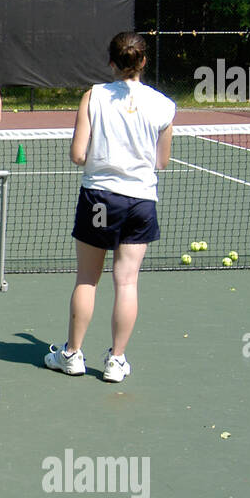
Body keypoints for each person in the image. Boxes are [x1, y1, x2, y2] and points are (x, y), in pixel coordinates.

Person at [45, 31, 175, 383]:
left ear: (112, 62)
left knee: (88, 278)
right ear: (144, 61)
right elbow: (161, 161)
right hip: (141, 201)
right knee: (127, 282)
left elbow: (77, 155)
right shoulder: (164, 105)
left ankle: (71, 354)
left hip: (100, 199)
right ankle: (116, 361)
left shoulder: (94, 96)